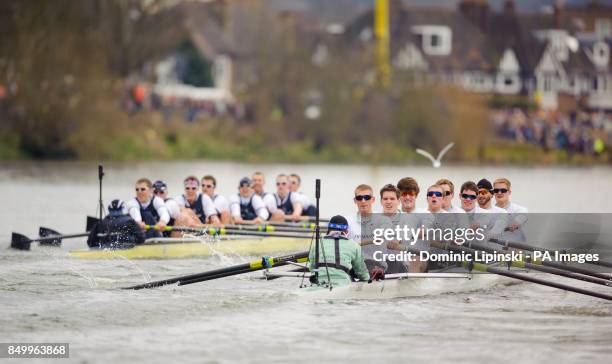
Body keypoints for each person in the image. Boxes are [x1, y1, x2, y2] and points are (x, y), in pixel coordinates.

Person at [308, 215, 370, 286]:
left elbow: (312, 268)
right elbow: (362, 273)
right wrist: (367, 279)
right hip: (343, 285)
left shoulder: (316, 243)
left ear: (328, 230)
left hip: (318, 283)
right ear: (346, 231)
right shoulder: (354, 245)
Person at [493, 178, 528, 242]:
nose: (499, 193)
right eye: (496, 190)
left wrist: (516, 223)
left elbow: (523, 216)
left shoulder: (519, 210)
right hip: (494, 247)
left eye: (503, 190)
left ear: (509, 192)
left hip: (514, 248)